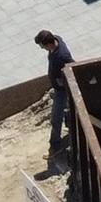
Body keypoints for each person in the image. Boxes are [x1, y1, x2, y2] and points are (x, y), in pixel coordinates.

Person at [35, 31, 76, 160]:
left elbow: (72, 66)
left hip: (62, 91)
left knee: (56, 118)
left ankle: (56, 145)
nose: (42, 49)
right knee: (67, 112)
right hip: (60, 87)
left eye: (42, 46)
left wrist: (63, 83)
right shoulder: (57, 39)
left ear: (48, 44)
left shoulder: (62, 56)